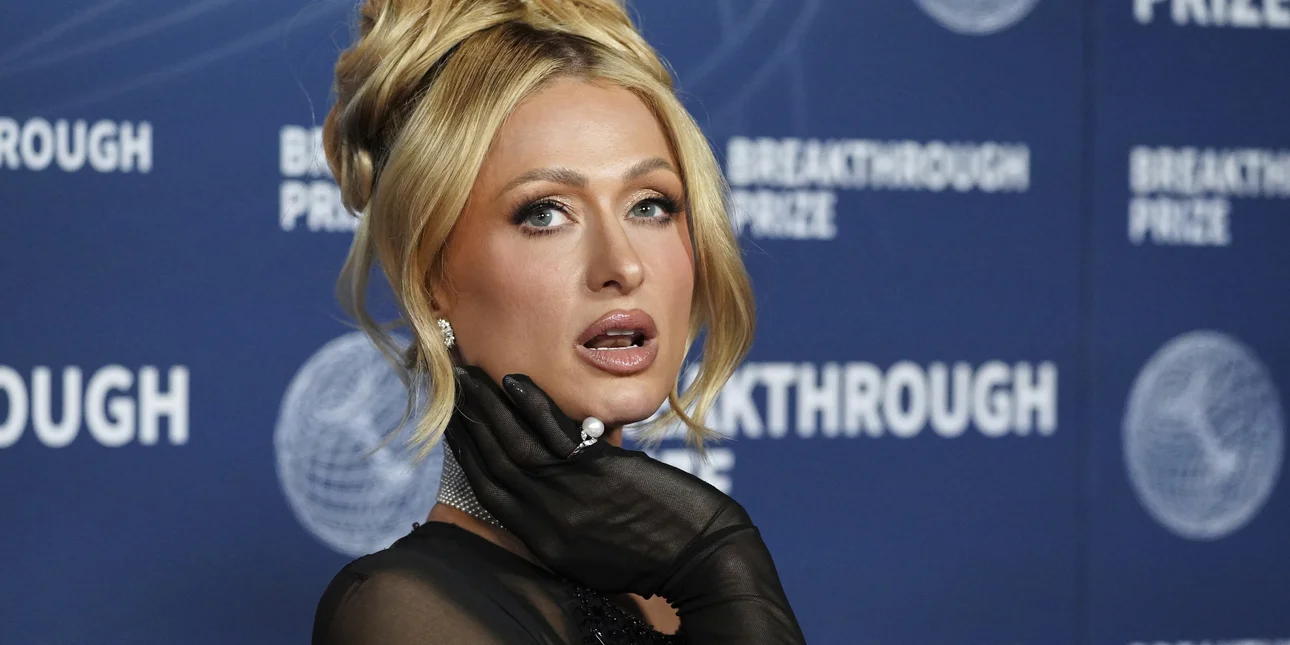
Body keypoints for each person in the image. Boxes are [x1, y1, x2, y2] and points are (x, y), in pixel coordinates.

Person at [310, 0, 807, 643]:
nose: (622, 265)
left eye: (650, 205)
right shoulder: (402, 613)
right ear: (430, 277)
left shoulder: (681, 591)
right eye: (545, 213)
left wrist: (717, 565)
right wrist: (719, 557)